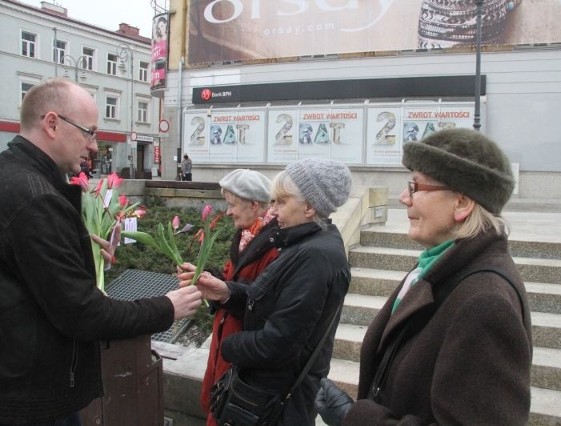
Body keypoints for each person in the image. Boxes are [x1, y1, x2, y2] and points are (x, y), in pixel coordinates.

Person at [0, 78, 203, 425]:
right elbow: (83, 314)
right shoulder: (37, 198)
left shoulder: (13, 174)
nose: (94, 146)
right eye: (88, 132)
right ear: (52, 124)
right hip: (34, 400)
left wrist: (84, 243)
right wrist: (167, 307)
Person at [316, 128, 533, 425]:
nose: (404, 198)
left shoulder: (486, 302)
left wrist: (353, 418)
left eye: (415, 186)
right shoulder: (442, 264)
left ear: (461, 204)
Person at [179, 158, 352, 425]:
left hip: (276, 403)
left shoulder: (315, 256)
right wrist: (224, 292)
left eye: (281, 202)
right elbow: (267, 300)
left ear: (308, 207)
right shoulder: (305, 244)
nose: (273, 211)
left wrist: (230, 346)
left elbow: (279, 343)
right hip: (270, 397)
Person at [188, 169, 280, 426]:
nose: (228, 212)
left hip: (241, 350)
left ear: (254, 205)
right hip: (227, 343)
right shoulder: (248, 236)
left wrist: (224, 290)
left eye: (232, 205)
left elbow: (261, 299)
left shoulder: (273, 247)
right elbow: (234, 281)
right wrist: (209, 278)